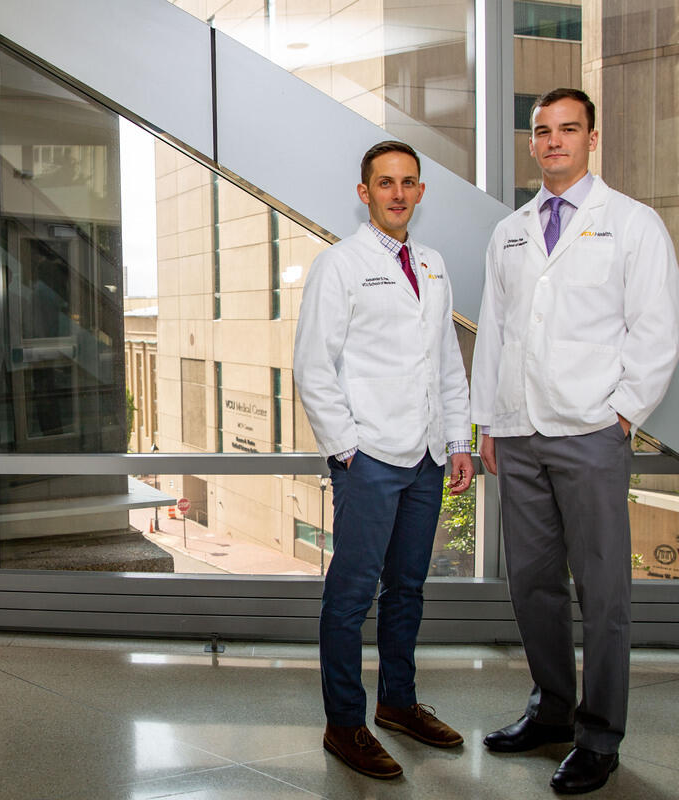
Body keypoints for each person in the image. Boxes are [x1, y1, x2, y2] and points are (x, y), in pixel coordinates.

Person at [471, 88, 679, 794]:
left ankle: (599, 735)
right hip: (521, 433)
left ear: (592, 138)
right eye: (543, 131)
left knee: (603, 591)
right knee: (532, 585)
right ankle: (552, 710)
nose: (554, 140)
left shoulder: (632, 224)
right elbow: (495, 333)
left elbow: (656, 330)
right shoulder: (510, 230)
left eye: (569, 129)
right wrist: (490, 423)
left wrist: (622, 413)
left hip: (591, 432)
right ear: (531, 144)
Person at [294, 140, 474, 780]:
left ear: (421, 192)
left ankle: (398, 704)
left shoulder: (431, 264)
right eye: (385, 182)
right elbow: (314, 368)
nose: (398, 193)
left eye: (409, 182)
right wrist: (347, 451)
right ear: (364, 193)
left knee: (409, 590)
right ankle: (345, 722)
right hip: (368, 456)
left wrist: (459, 442)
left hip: (426, 456)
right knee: (350, 595)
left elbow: (447, 362)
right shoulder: (339, 265)